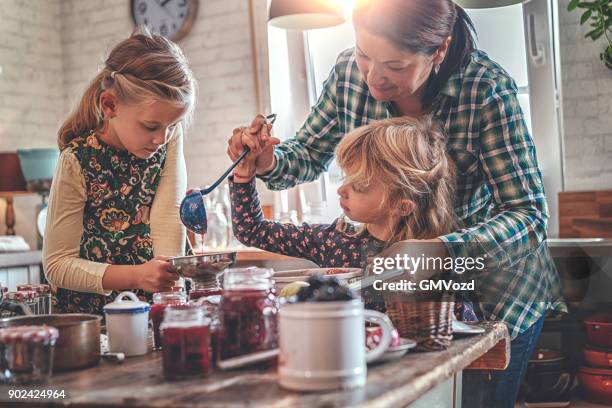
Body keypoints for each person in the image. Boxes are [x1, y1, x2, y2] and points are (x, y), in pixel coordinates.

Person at [227, 1, 564, 406]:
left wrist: (442, 252)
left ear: (439, 50)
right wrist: (266, 160)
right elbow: (304, 154)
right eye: (364, 54)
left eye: (396, 66)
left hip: (493, 294)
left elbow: (528, 215)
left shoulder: (485, 89)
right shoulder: (347, 75)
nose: (374, 76)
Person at [230, 116, 477, 324]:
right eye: (346, 177)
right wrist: (244, 173)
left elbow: (463, 330)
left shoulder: (434, 264)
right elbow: (250, 230)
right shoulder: (333, 241)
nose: (342, 189)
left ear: (402, 205)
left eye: (358, 185)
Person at [43, 28, 196, 315]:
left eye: (172, 126)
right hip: (92, 318)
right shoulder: (76, 160)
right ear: (110, 105)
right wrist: (137, 275)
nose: (161, 139)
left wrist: (169, 297)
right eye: (151, 126)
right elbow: (57, 266)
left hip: (155, 308)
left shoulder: (166, 137)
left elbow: (167, 219)